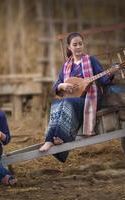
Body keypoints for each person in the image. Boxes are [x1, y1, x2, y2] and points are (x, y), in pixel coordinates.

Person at [39, 32, 113, 162]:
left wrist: (111, 73)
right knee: (56, 104)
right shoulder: (67, 65)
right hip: (75, 100)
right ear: (69, 47)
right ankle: (54, 140)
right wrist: (62, 85)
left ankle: (54, 139)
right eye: (75, 44)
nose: (78, 47)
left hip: (91, 100)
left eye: (80, 44)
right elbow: (56, 86)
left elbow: (103, 80)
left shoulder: (91, 61)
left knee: (66, 102)